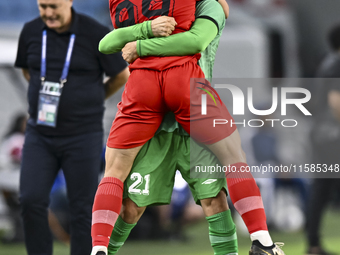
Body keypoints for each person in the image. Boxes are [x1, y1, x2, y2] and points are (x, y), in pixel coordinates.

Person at [91, 1, 285, 255]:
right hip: (176, 97)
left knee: (214, 200)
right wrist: (148, 29)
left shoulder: (210, 7)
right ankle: (262, 241)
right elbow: (106, 43)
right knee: (131, 207)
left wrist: (140, 43)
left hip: (174, 115)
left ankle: (257, 243)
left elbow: (196, 40)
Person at [14, 0, 129, 254]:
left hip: (83, 134)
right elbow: (27, 70)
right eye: (43, 6)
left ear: (69, 2)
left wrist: (90, 99)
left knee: (83, 207)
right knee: (31, 200)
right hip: (40, 133)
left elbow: (121, 75)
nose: (48, 13)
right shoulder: (31, 31)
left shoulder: (96, 34)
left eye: (54, 6)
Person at [306, 23, 340, 255]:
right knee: (323, 189)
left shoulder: (327, 62)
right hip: (333, 136)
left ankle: (314, 244)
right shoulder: (337, 64)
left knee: (320, 189)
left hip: (320, 134)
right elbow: (335, 100)